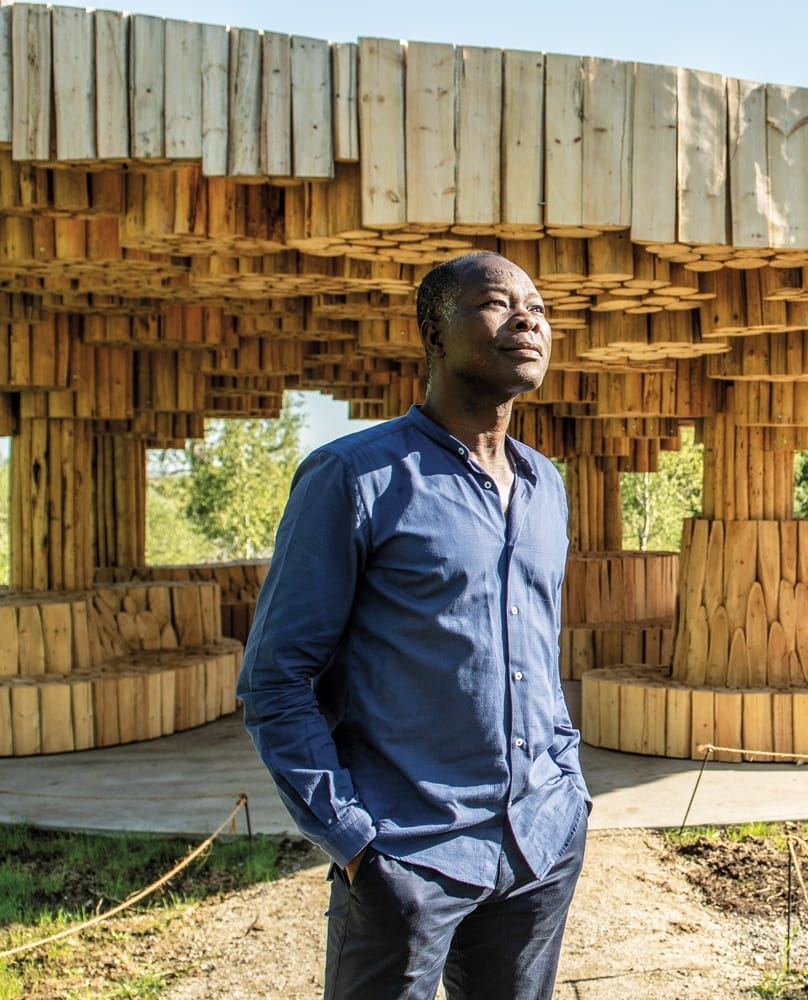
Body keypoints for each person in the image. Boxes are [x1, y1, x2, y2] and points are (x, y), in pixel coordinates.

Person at [238, 251, 589, 1000]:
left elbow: (537, 655)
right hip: (407, 858)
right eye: (498, 303)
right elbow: (276, 678)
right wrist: (356, 842)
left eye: (539, 305)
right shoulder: (353, 477)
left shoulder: (545, 484)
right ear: (432, 332)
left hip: (539, 847)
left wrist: (568, 788)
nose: (529, 318)